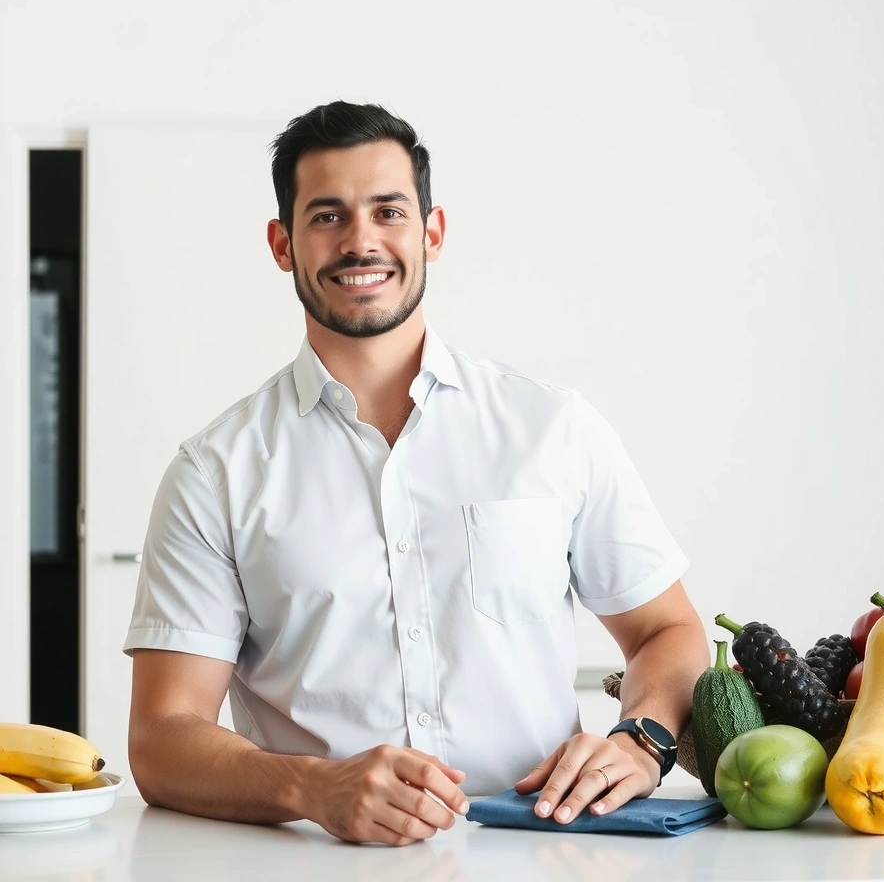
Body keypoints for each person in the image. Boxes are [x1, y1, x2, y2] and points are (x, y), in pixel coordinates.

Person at [124, 100, 710, 847]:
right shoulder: (216, 472)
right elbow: (162, 738)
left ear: (432, 232)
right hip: (316, 865)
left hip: (542, 854)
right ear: (282, 244)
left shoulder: (553, 430)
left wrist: (642, 739)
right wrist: (311, 783)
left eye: (389, 211)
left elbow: (669, 629)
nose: (361, 240)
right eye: (327, 216)